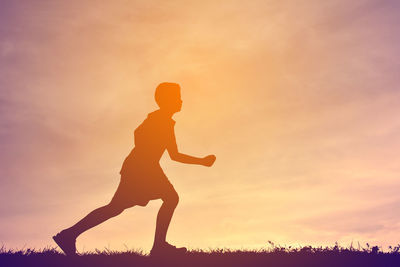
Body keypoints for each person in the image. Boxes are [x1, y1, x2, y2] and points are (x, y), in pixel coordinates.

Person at [53, 82, 216, 256]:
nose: (181, 101)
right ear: (167, 100)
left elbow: (172, 154)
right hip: (141, 168)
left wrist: (201, 161)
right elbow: (140, 136)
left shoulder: (164, 121)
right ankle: (159, 247)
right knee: (169, 198)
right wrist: (200, 161)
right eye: (177, 97)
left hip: (142, 167)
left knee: (115, 208)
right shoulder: (159, 120)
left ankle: (68, 235)